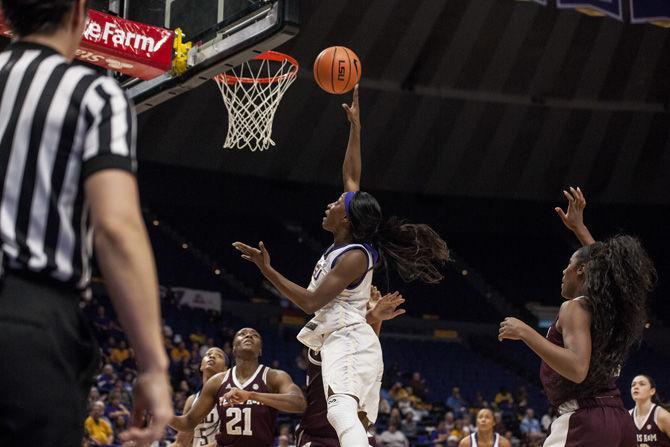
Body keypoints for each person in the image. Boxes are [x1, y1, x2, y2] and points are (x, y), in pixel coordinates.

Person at [233, 85, 449, 447]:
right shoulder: (345, 243)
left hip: (350, 338)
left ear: (346, 219)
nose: (330, 204)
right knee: (342, 416)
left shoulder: (354, 256)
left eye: (336, 204)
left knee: (340, 414)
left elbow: (311, 303)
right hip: (341, 340)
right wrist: (356, 130)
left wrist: (267, 270)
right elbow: (351, 176)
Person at [0, 0, 171, 445]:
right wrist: (153, 366)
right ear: (80, 12)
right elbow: (115, 226)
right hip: (28, 324)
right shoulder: (93, 93)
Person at [499, 187, 656, 447]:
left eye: (569, 263)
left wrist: (525, 332)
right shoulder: (610, 310)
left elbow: (577, 369)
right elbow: (611, 270)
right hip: (619, 421)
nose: (564, 270)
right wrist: (579, 228)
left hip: (585, 420)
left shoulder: (575, 307)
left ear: (581, 269)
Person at [295, 286, 405, 447]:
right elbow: (342, 336)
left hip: (356, 429)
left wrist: (375, 316)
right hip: (320, 433)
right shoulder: (324, 335)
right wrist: (373, 315)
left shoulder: (354, 342)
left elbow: (362, 348)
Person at [169, 327, 306, 446]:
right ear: (234, 349)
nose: (248, 335)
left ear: (260, 351)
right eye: (242, 334)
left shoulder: (274, 376)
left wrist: (251, 395)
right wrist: (164, 416)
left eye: (254, 335)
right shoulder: (217, 382)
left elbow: (299, 403)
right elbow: (188, 422)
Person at [171, 347, 230, 447]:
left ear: (226, 370)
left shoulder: (231, 396)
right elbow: (180, 443)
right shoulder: (192, 400)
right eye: (208, 354)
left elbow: (229, 441)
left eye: (219, 355)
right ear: (201, 366)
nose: (212, 356)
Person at [630, 374, 670, 447]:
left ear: (652, 391)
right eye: (633, 385)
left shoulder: (662, 416)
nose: (635, 387)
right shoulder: (627, 416)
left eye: (642, 384)